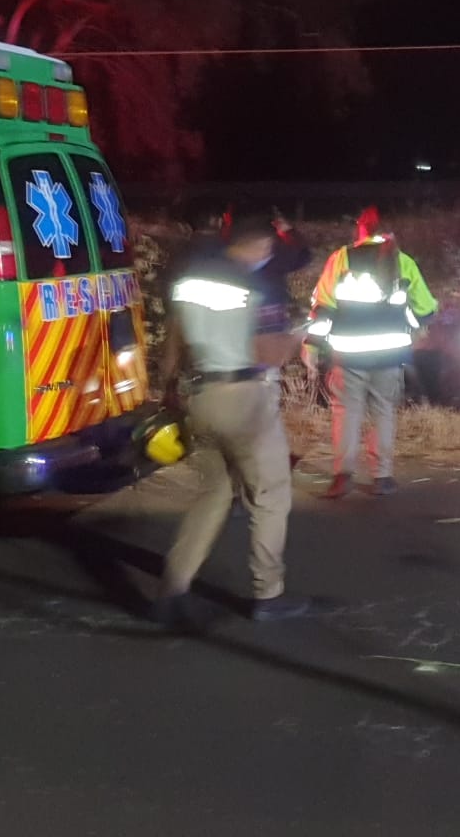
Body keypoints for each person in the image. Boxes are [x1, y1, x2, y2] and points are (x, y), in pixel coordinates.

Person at [152, 216, 311, 628]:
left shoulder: (189, 282)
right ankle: (268, 594)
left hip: (201, 397)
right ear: (257, 246)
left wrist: (169, 392)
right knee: (269, 495)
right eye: (266, 251)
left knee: (213, 495)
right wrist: (300, 335)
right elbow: (268, 350)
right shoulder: (253, 287)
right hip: (246, 399)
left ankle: (173, 587)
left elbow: (172, 345)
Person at [304, 206, 437, 499]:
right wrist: (413, 325)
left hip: (348, 355)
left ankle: (343, 476)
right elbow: (426, 308)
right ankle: (382, 477)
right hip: (390, 354)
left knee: (346, 413)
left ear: (361, 228)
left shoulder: (341, 259)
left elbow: (324, 308)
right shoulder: (403, 262)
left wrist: (312, 345)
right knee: (383, 412)